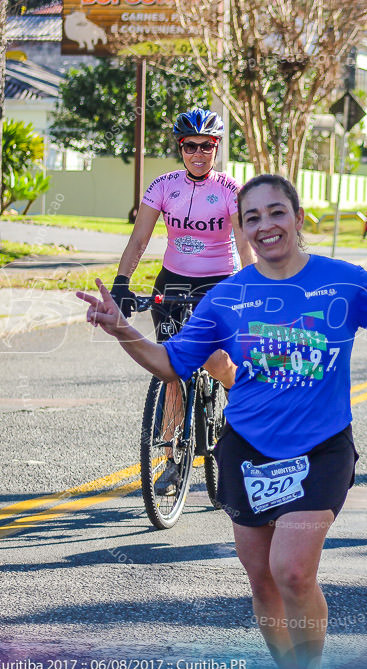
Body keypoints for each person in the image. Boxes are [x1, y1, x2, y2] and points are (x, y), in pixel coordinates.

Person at [78, 174, 367, 669]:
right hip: (247, 449)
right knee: (262, 582)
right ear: (243, 229)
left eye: (276, 212)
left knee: (292, 572)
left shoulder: (344, 280)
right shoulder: (228, 297)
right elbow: (171, 364)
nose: (265, 225)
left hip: (321, 449)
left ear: (298, 218)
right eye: (252, 217)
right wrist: (122, 329)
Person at [110, 107, 253, 495]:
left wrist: (249, 284)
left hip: (219, 283)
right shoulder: (163, 186)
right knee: (172, 370)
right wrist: (122, 282)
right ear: (180, 147)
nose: (198, 153)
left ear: (216, 147)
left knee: (217, 361)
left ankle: (238, 425)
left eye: (207, 146)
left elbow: (243, 243)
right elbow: (139, 239)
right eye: (191, 146)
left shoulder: (229, 190)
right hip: (172, 283)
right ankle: (174, 461)